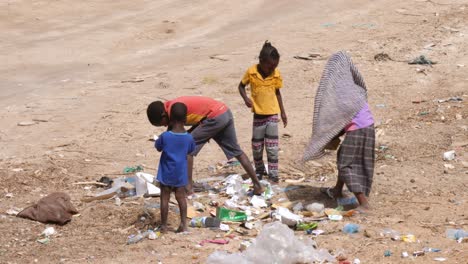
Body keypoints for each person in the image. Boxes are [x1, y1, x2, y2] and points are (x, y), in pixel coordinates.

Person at [147, 96, 264, 196]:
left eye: (161, 124)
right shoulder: (170, 106)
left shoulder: (173, 111)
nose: (164, 126)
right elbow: (195, 121)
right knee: (236, 150)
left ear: (163, 115)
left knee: (187, 150)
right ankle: (257, 185)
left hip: (214, 118)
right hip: (224, 112)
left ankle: (188, 188)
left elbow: (173, 137)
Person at [303, 51, 375, 211]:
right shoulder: (353, 87)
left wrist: (331, 135)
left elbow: (342, 117)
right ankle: (337, 190)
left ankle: (363, 203)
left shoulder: (342, 90)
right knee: (343, 155)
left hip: (358, 129)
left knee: (345, 165)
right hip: (366, 126)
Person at [238, 41, 287, 182]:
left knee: (272, 147)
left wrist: (283, 112)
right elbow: (241, 87)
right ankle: (259, 171)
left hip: (272, 114)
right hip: (258, 116)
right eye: (270, 65)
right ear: (261, 61)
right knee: (257, 146)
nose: (272, 68)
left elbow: (278, 93)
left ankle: (273, 174)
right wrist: (245, 98)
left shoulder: (276, 74)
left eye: (275, 66)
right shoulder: (251, 72)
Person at [154, 102, 195, 232]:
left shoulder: (165, 136)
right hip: (180, 175)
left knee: (164, 199)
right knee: (181, 198)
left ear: (170, 118)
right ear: (185, 120)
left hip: (166, 173)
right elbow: (190, 152)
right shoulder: (189, 138)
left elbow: (158, 147)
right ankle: (183, 224)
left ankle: (164, 226)